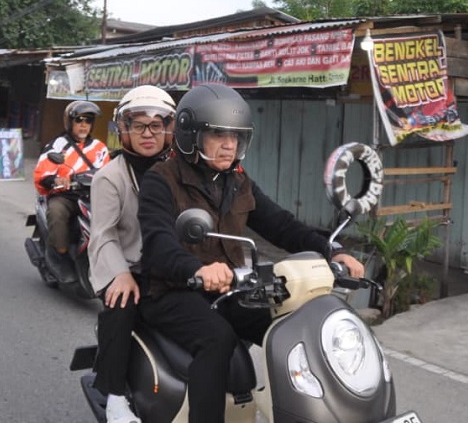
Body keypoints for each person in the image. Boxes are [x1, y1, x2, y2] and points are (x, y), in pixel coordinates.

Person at [136, 84, 365, 423]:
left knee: (296, 324)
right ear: (190, 135)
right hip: (171, 290)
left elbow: (281, 224)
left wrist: (331, 250)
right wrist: (197, 270)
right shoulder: (162, 180)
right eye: (218, 134)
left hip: (229, 287)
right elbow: (158, 244)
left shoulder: (237, 180)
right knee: (216, 338)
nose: (229, 144)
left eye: (236, 136)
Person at [88, 86, 176, 423]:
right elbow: (104, 234)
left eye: (157, 125)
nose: (148, 134)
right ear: (124, 129)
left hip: (169, 263)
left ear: (169, 128)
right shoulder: (110, 176)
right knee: (121, 306)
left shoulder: (178, 171)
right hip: (126, 264)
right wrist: (120, 273)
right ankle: (114, 396)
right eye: (139, 125)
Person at [33, 100, 110, 256]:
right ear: (70, 122)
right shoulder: (58, 145)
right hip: (65, 196)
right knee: (56, 212)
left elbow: (107, 171)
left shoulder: (99, 147)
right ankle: (59, 255)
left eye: (88, 120)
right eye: (79, 120)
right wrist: (56, 180)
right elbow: (43, 173)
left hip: (92, 197)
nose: (83, 125)